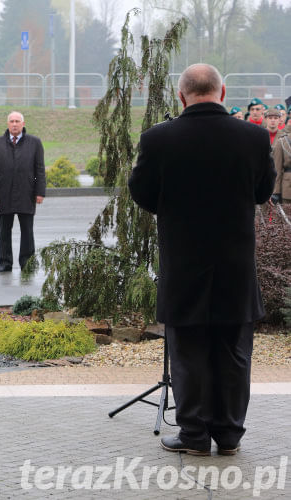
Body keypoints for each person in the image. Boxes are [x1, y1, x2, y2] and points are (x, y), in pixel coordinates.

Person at [128, 63, 275, 457]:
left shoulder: (157, 140)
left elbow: (141, 193)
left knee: (188, 352)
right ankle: (228, 436)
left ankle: (193, 435)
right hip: (235, 264)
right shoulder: (255, 137)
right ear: (222, 93)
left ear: (181, 96)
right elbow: (263, 192)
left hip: (184, 262)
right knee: (234, 352)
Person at [0, 111, 46, 272]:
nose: (14, 124)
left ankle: (27, 263)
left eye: (17, 121)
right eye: (11, 121)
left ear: (23, 123)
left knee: (27, 231)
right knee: (4, 231)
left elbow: (40, 170)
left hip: (27, 194)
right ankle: (5, 262)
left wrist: (40, 193)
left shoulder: (34, 143)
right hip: (4, 194)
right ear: (7, 124)